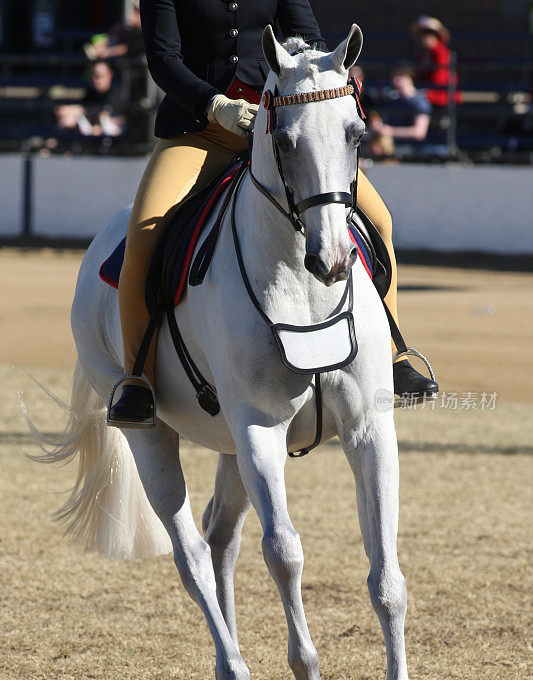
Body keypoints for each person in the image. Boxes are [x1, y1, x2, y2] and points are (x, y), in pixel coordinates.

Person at [109, 0, 438, 427]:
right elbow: (163, 60)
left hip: (279, 124)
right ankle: (139, 378)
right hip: (201, 129)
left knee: (379, 221)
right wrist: (214, 104)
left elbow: (311, 37)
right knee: (144, 234)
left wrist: (317, 75)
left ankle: (395, 356)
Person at [54, 60, 125, 138]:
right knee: (67, 121)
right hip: (90, 134)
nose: (95, 80)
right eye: (93, 75)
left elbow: (116, 120)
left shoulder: (119, 95)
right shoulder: (90, 93)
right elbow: (85, 109)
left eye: (99, 76)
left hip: (111, 139)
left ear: (109, 75)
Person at [370, 65, 431, 153]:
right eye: (393, 77)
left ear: (408, 78)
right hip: (393, 149)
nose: (394, 81)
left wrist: (390, 131)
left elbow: (419, 132)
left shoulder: (420, 103)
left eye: (398, 77)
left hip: (412, 152)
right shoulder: (394, 101)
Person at [411, 16, 461, 108]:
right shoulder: (424, 54)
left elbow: (439, 79)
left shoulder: (441, 52)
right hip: (428, 93)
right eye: (423, 34)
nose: (425, 37)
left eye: (429, 34)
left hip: (442, 96)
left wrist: (423, 91)